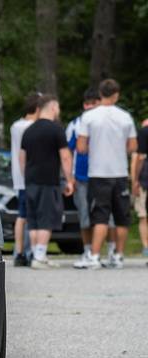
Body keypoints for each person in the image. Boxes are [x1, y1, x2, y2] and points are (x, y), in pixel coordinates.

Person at [74, 79, 138, 270]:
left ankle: (94, 256)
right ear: (116, 95)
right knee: (121, 217)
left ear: (100, 94)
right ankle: (118, 256)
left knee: (100, 216)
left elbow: (81, 147)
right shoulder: (125, 116)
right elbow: (133, 146)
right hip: (119, 172)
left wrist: (95, 148)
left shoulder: (89, 116)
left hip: (98, 173)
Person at [19, 94, 75, 269]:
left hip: (30, 181)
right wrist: (69, 180)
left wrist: (26, 176)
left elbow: (22, 158)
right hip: (48, 181)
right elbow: (65, 157)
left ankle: (37, 255)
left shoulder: (28, 130)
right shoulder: (56, 130)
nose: (58, 111)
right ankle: (39, 256)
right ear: (52, 107)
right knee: (47, 219)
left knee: (34, 220)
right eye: (57, 107)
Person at [66, 89, 100, 264]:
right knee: (84, 216)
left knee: (105, 217)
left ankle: (108, 251)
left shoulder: (104, 122)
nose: (90, 107)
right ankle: (87, 250)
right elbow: (67, 152)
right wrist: (69, 178)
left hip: (102, 176)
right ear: (84, 105)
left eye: (94, 103)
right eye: (87, 103)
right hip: (81, 177)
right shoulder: (75, 124)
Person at [10, 92, 41, 266]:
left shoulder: (15, 126)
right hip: (30, 176)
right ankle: (29, 252)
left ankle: (19, 251)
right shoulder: (32, 127)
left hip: (18, 177)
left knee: (21, 216)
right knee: (30, 216)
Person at [130, 118, 148, 257]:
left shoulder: (142, 135)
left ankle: (146, 247)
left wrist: (135, 181)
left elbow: (138, 159)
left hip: (144, 181)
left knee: (143, 215)